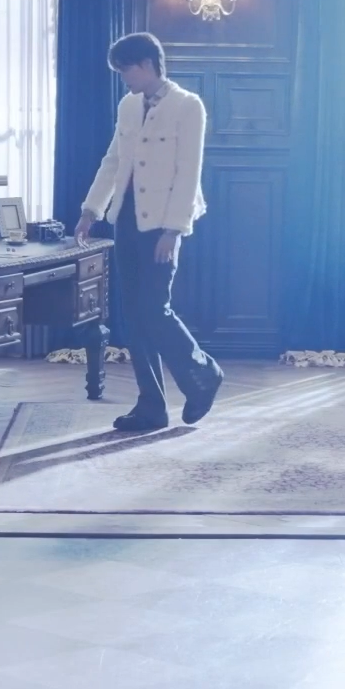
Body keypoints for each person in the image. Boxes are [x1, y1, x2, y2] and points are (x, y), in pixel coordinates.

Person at [75, 32, 224, 431]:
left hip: (162, 224)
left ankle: (203, 373)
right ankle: (151, 407)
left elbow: (189, 172)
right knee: (134, 317)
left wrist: (173, 231)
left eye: (126, 70)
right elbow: (113, 161)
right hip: (126, 221)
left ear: (146, 64)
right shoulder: (128, 105)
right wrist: (91, 210)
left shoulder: (188, 106)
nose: (124, 78)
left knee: (154, 309)